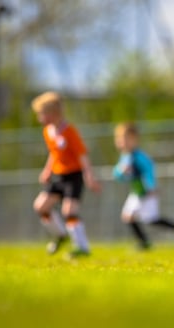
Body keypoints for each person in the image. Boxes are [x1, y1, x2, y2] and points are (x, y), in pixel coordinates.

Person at [31, 91, 100, 258]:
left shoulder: (69, 131)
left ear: (53, 113)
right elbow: (54, 153)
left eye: (42, 114)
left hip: (74, 176)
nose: (40, 118)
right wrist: (47, 170)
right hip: (59, 176)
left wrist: (89, 176)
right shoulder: (48, 131)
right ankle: (61, 235)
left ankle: (82, 247)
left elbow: (82, 155)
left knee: (69, 211)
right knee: (41, 206)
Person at [112, 122, 174, 250]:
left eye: (125, 139)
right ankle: (144, 242)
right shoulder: (125, 157)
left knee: (152, 219)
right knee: (127, 216)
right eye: (119, 139)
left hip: (147, 192)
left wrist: (151, 187)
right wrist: (120, 172)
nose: (121, 142)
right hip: (137, 193)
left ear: (134, 139)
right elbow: (118, 175)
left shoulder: (138, 156)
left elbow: (149, 169)